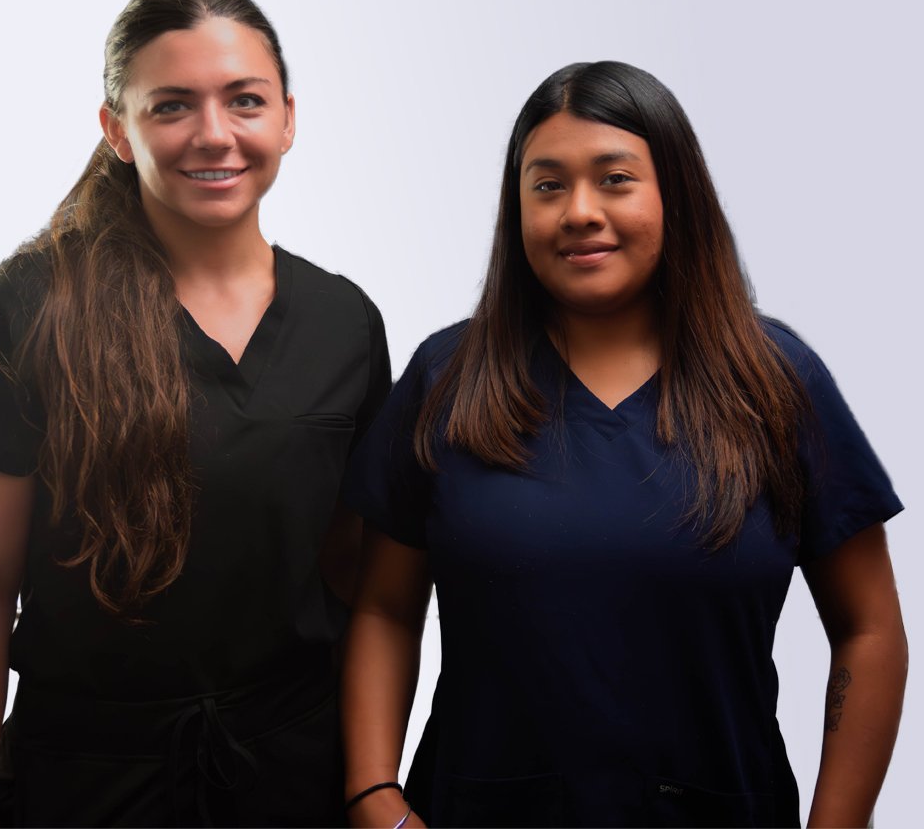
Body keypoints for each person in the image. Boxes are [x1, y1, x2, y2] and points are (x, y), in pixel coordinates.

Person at [341, 61, 907, 828]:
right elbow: (384, 606)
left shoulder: (776, 384)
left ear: (676, 193)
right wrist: (375, 794)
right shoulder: (448, 378)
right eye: (547, 185)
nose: (579, 211)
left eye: (615, 179)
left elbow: (868, 628)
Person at [0, 0, 390, 827]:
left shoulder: (343, 325)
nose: (214, 134)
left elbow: (361, 590)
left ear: (288, 117)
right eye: (171, 105)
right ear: (117, 131)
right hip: (86, 790)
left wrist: (372, 786)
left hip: (292, 785)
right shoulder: (24, 316)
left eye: (244, 101)